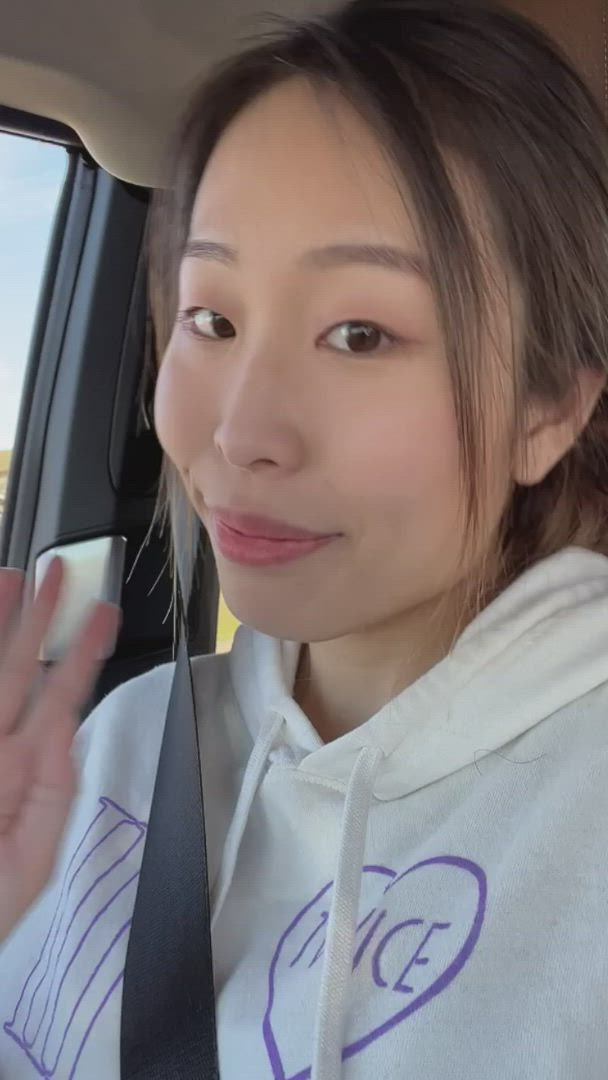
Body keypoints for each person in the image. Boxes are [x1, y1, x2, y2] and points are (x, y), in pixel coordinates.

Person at [1, 0, 608, 1076]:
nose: (239, 435)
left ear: (547, 409)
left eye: (359, 333)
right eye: (213, 320)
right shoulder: (124, 742)